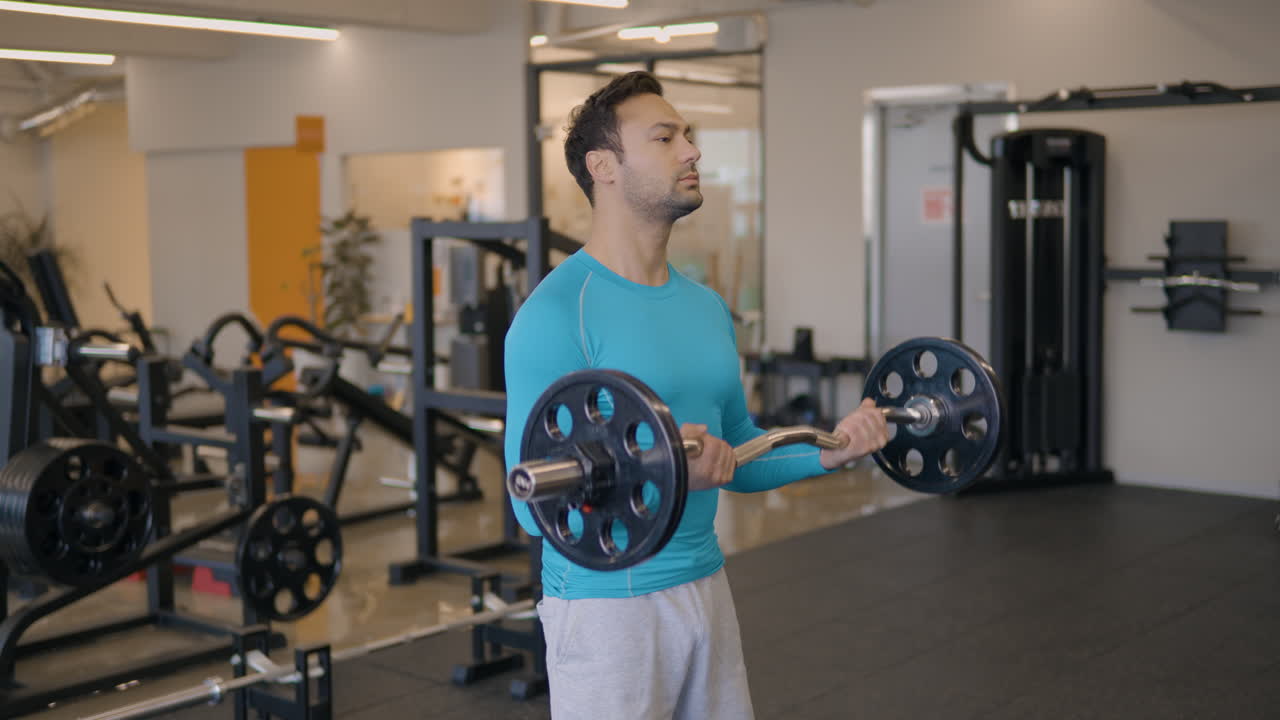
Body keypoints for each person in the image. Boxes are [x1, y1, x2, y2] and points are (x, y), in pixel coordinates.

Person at [503, 71, 890, 720]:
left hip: (705, 585)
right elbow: (530, 502)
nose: (692, 150)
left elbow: (737, 449)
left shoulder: (706, 308)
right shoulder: (556, 314)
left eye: (688, 133)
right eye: (665, 137)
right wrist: (670, 465)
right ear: (604, 167)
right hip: (606, 608)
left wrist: (829, 449)